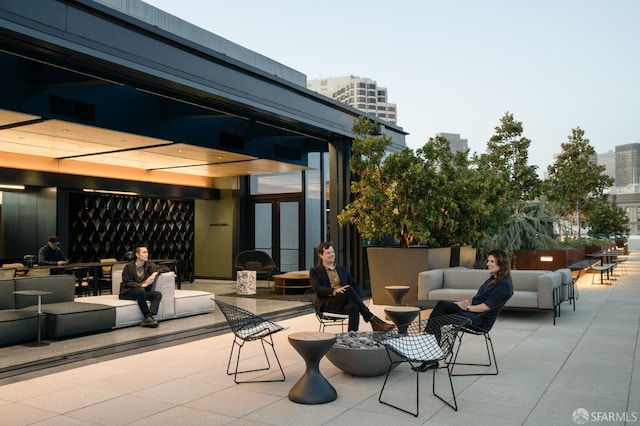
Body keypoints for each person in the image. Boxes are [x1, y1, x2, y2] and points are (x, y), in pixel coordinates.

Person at [417, 248, 514, 371]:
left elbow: (486, 307)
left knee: (437, 319)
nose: (488, 264)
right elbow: (480, 300)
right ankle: (430, 352)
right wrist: (462, 303)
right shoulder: (493, 280)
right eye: (488, 261)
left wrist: (468, 307)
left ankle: (429, 353)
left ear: (501, 263)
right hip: (472, 313)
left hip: (479, 321)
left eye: (492, 261)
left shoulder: (503, 284)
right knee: (441, 307)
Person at [309, 242, 394, 332]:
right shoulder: (315, 271)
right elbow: (317, 288)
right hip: (328, 304)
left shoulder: (342, 269)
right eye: (328, 253)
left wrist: (358, 299)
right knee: (348, 289)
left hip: (343, 303)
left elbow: (355, 285)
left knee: (354, 306)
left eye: (332, 252)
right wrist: (334, 291)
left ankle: (352, 335)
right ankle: (372, 319)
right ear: (321, 255)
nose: (332, 254)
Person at [120, 245, 169, 328]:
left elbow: (166, 267)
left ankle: (148, 317)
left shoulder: (149, 265)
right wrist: (141, 285)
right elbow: (127, 282)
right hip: (128, 292)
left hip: (141, 292)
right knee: (140, 290)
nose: (146, 254)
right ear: (137, 255)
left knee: (157, 294)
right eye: (144, 252)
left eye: (147, 252)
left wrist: (155, 273)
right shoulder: (129, 267)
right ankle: (147, 315)